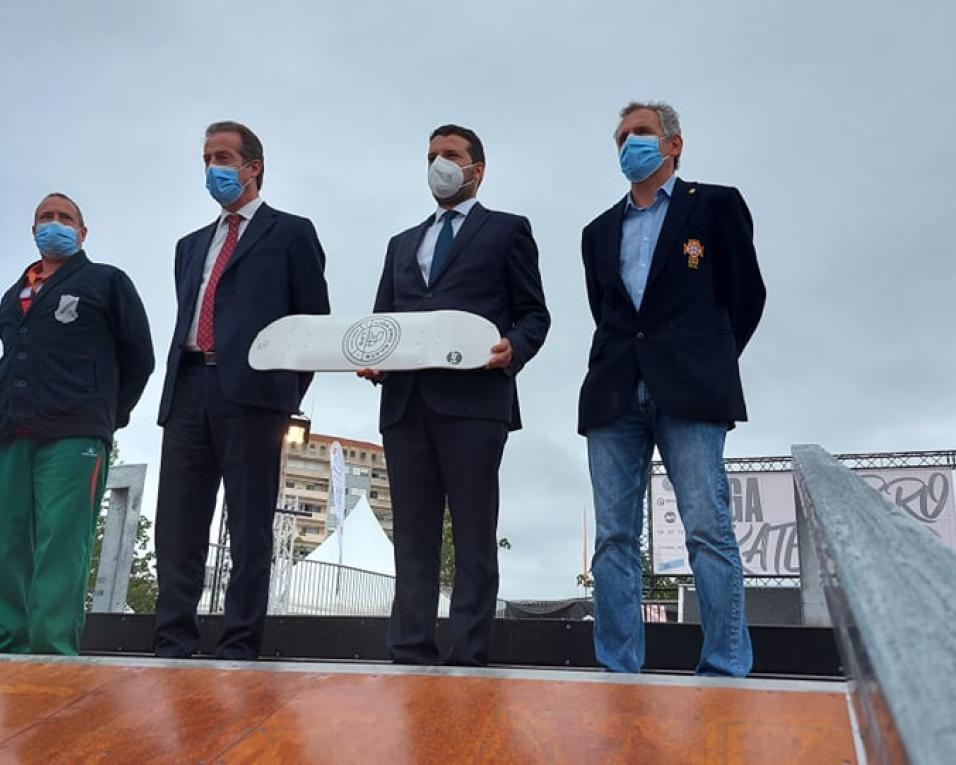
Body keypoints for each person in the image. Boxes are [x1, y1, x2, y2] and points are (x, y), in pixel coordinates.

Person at [579, 101, 766, 676]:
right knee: (613, 539)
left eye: (640, 133)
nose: (629, 144)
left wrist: (705, 359)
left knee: (707, 529)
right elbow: (605, 312)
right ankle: (618, 668)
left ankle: (725, 667)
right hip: (614, 393)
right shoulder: (596, 231)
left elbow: (747, 296)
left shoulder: (715, 206)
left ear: (673, 144)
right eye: (620, 137)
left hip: (691, 389)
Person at [360, 124, 550, 666]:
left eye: (451, 155)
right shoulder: (401, 244)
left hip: (474, 405)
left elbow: (534, 313)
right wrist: (372, 357)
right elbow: (383, 322)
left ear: (477, 169)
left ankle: (468, 652)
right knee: (412, 540)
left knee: (472, 534)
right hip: (405, 406)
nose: (439, 164)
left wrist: (514, 346)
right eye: (431, 156)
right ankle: (409, 648)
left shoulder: (508, 230)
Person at [154, 121, 330, 660]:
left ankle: (239, 640)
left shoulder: (292, 233)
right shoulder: (190, 245)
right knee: (178, 521)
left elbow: (311, 326)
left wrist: (281, 393)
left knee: (250, 523)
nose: (213, 167)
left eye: (224, 156)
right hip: (188, 387)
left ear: (253, 167)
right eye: (207, 157)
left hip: (254, 397)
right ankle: (172, 637)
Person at [0, 193, 154, 655]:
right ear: (32, 231)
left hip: (75, 435)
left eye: (64, 218)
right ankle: (10, 643)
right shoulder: (15, 295)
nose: (54, 224)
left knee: (61, 543)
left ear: (83, 233)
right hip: (12, 433)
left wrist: (107, 415)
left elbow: (139, 358)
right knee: (8, 541)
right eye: (45, 217)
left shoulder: (106, 283)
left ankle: (51, 650)